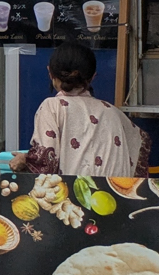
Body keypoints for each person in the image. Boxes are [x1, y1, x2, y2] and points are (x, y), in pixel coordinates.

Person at [12, 41, 150, 177]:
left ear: (50, 73)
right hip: (115, 197)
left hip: (72, 197)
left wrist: (25, 160)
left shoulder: (52, 107)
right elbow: (142, 140)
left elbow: (45, 162)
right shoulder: (113, 112)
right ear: (93, 76)